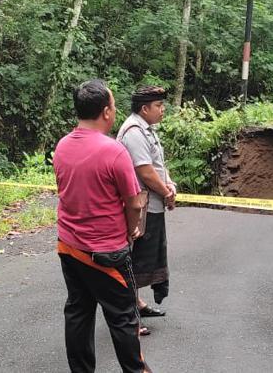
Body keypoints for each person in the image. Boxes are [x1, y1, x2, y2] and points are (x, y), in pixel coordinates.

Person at [53, 79, 152, 373]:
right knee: (123, 318)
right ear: (106, 112)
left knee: (78, 313)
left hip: (69, 247)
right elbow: (134, 203)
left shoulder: (62, 146)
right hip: (106, 253)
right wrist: (131, 229)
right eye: (113, 104)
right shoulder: (114, 152)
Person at [117, 86, 176, 334]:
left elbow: (158, 165)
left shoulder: (146, 130)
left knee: (145, 257)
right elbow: (144, 171)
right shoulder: (133, 132)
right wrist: (165, 192)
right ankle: (129, 314)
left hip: (151, 204)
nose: (162, 110)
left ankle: (137, 304)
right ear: (145, 108)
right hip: (140, 207)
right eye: (158, 106)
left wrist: (169, 185)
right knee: (135, 259)